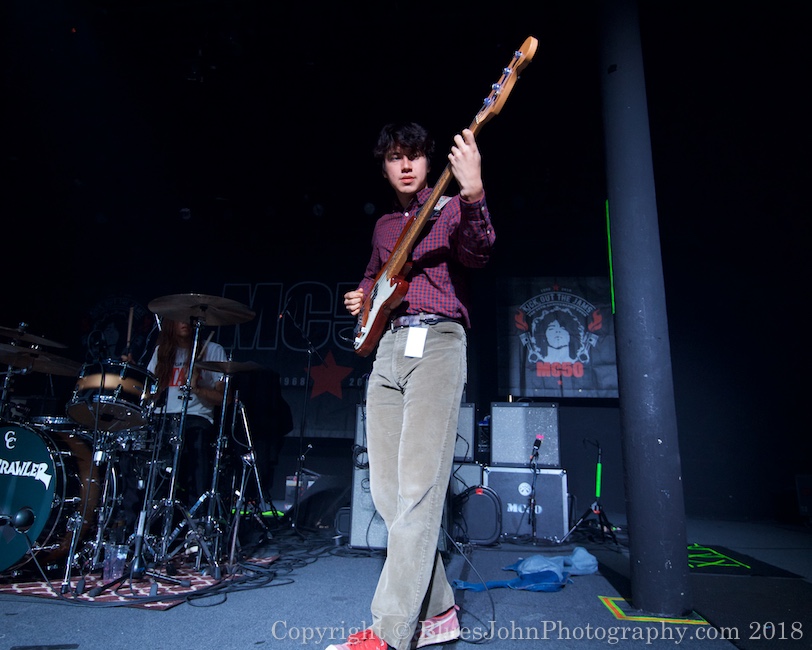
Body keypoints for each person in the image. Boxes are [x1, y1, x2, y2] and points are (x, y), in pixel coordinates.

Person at [334, 122, 495, 650]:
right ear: (384, 168)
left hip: (439, 343)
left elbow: (478, 253)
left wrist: (473, 197)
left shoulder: (449, 209)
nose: (406, 165)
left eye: (415, 157)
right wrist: (361, 297)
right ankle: (442, 611)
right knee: (386, 494)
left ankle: (390, 631)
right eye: (395, 158)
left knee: (421, 491)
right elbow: (373, 274)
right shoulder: (383, 226)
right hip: (387, 351)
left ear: (429, 163)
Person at [146, 318, 228, 508]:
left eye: (189, 319)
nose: (184, 323)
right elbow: (149, 394)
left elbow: (225, 398)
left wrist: (197, 388)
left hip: (196, 419)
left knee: (195, 466)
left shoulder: (213, 350)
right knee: (154, 472)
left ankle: (195, 521)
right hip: (162, 418)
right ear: (170, 323)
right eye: (179, 318)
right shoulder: (161, 352)